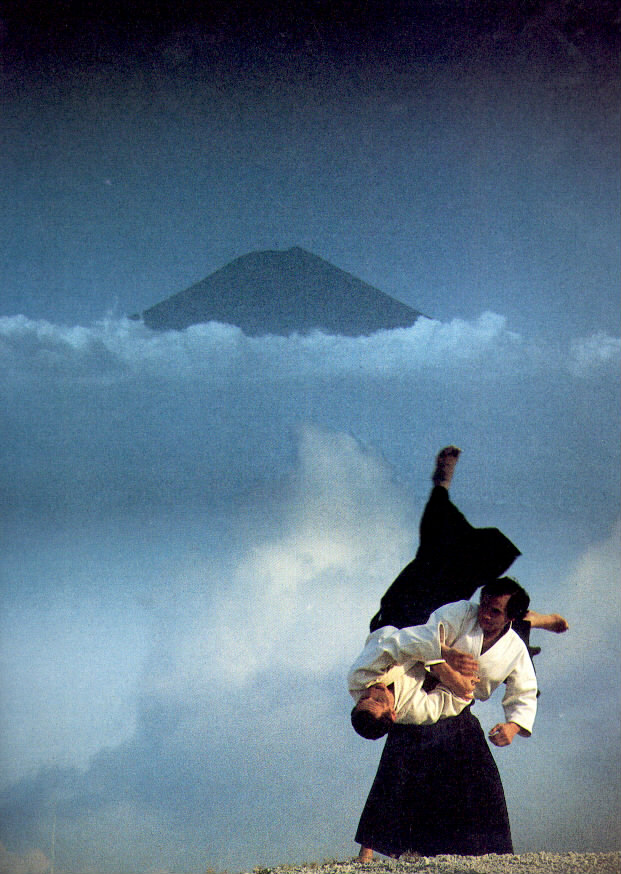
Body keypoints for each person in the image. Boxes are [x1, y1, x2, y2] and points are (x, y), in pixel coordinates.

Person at [350, 447, 569, 861]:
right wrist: (448, 672)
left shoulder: (364, 673)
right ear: (390, 712)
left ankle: (531, 617)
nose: (374, 695)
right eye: (378, 702)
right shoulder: (410, 704)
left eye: (370, 697)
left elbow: (398, 644)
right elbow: (442, 689)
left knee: (469, 593)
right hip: (427, 624)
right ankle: (370, 850)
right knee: (446, 569)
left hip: (407, 627)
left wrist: (445, 661)